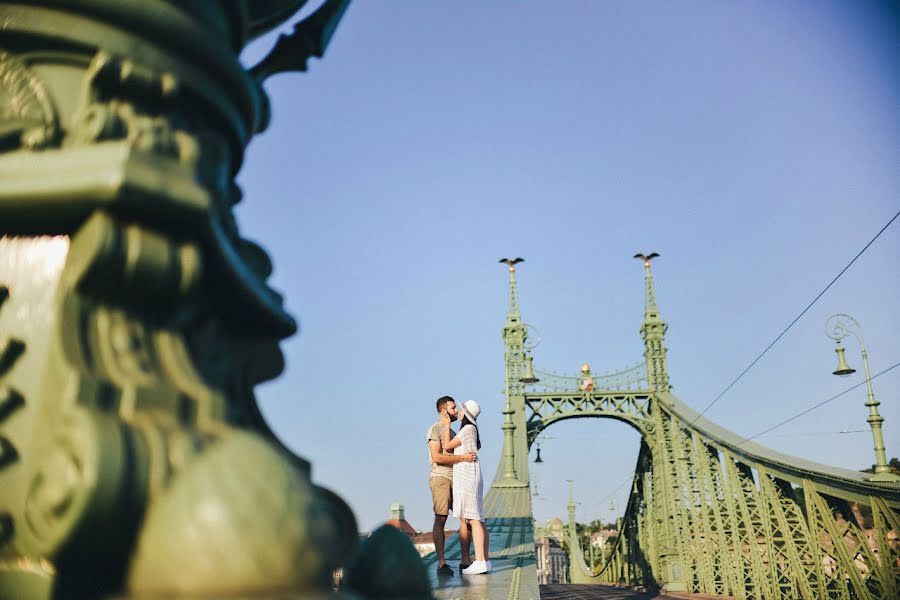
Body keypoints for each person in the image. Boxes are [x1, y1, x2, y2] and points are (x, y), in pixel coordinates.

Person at [427, 396, 477, 576]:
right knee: (441, 518)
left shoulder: (455, 433)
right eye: (453, 408)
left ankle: (465, 561)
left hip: (457, 479)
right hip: (440, 478)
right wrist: (463, 458)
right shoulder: (435, 429)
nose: (456, 411)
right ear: (443, 411)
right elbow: (437, 458)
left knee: (466, 517)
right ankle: (442, 563)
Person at [441, 399, 490, 575]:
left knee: (473, 519)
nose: (459, 412)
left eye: (462, 410)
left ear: (466, 414)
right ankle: (485, 560)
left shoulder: (466, 429)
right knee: (479, 519)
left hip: (467, 476)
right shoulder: (472, 430)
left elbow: (447, 447)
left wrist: (446, 425)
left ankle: (480, 561)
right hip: (472, 475)